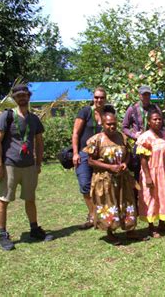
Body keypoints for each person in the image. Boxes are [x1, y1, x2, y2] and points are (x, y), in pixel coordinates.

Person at [0, 84, 53, 251]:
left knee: (30, 199)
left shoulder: (34, 119)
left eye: (24, 95)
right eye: (18, 96)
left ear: (29, 96)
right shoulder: (7, 116)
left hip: (29, 167)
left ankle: (34, 229)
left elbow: (39, 142)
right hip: (10, 165)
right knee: (4, 200)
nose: (22, 98)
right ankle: (3, 235)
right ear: (14, 98)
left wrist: (38, 163)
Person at [83, 112, 137, 245]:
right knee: (108, 204)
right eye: (109, 124)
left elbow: (128, 154)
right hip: (104, 179)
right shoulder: (95, 140)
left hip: (122, 178)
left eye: (114, 124)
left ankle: (129, 230)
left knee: (126, 203)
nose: (112, 127)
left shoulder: (122, 137)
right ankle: (110, 232)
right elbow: (90, 161)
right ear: (102, 123)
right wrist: (109, 167)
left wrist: (125, 163)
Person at [136, 110, 165, 238]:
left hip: (164, 174)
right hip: (151, 173)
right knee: (151, 198)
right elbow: (143, 159)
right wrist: (148, 177)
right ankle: (151, 227)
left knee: (163, 197)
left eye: (159, 119)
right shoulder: (145, 137)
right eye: (154, 119)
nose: (157, 121)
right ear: (149, 122)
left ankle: (162, 223)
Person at [122, 85, 164, 204]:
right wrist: (135, 135)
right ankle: (137, 201)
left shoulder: (155, 108)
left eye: (148, 94)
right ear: (139, 96)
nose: (146, 97)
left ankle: (155, 200)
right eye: (143, 94)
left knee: (155, 171)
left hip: (154, 146)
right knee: (138, 172)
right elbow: (124, 127)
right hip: (140, 145)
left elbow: (162, 124)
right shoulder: (133, 109)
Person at [71, 87, 105, 229]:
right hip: (84, 154)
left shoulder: (108, 113)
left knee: (101, 185)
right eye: (96, 97)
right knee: (85, 185)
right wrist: (75, 153)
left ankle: (102, 215)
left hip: (101, 155)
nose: (98, 100)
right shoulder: (85, 112)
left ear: (105, 99)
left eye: (101, 98)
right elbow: (75, 133)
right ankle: (92, 215)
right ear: (93, 98)